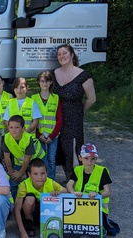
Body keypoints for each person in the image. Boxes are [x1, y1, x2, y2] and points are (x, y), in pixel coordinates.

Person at [53, 44, 96, 181]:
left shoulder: (83, 75)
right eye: (59, 54)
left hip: (74, 118)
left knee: (74, 148)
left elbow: (92, 99)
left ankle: (77, 181)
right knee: (61, 149)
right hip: (56, 118)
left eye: (64, 53)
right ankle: (68, 179)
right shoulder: (54, 74)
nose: (62, 56)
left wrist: (80, 111)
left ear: (72, 55)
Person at [66, 143, 118, 236]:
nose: (89, 162)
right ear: (80, 158)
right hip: (80, 203)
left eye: (92, 159)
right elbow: (69, 185)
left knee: (110, 231)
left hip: (98, 205)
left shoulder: (102, 171)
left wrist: (97, 194)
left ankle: (105, 224)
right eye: (86, 158)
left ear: (96, 159)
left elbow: (108, 192)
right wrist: (73, 193)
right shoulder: (77, 169)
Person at [14, 159, 66, 238]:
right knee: (30, 198)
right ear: (29, 174)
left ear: (47, 173)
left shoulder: (50, 182)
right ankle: (29, 222)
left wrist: (58, 193)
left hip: (44, 213)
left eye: (42, 173)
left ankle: (47, 222)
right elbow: (17, 209)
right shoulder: (24, 185)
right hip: (29, 212)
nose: (40, 177)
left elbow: (66, 191)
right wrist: (22, 231)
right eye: (35, 174)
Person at [2, 115, 45, 198]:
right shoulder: (7, 137)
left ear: (23, 129)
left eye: (17, 127)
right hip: (20, 161)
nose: (13, 130)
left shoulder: (28, 139)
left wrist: (20, 173)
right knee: (13, 181)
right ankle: (13, 204)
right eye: (11, 127)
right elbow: (6, 157)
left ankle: (39, 201)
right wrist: (11, 172)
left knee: (39, 179)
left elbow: (27, 159)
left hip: (38, 158)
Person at [31, 71, 62, 180]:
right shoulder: (33, 98)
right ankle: (43, 180)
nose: (45, 83)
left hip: (53, 135)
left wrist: (52, 136)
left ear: (51, 83)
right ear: (38, 82)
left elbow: (59, 119)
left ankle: (52, 181)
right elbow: (32, 119)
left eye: (47, 81)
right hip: (39, 135)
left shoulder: (56, 98)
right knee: (42, 159)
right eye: (42, 81)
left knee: (52, 159)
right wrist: (38, 134)